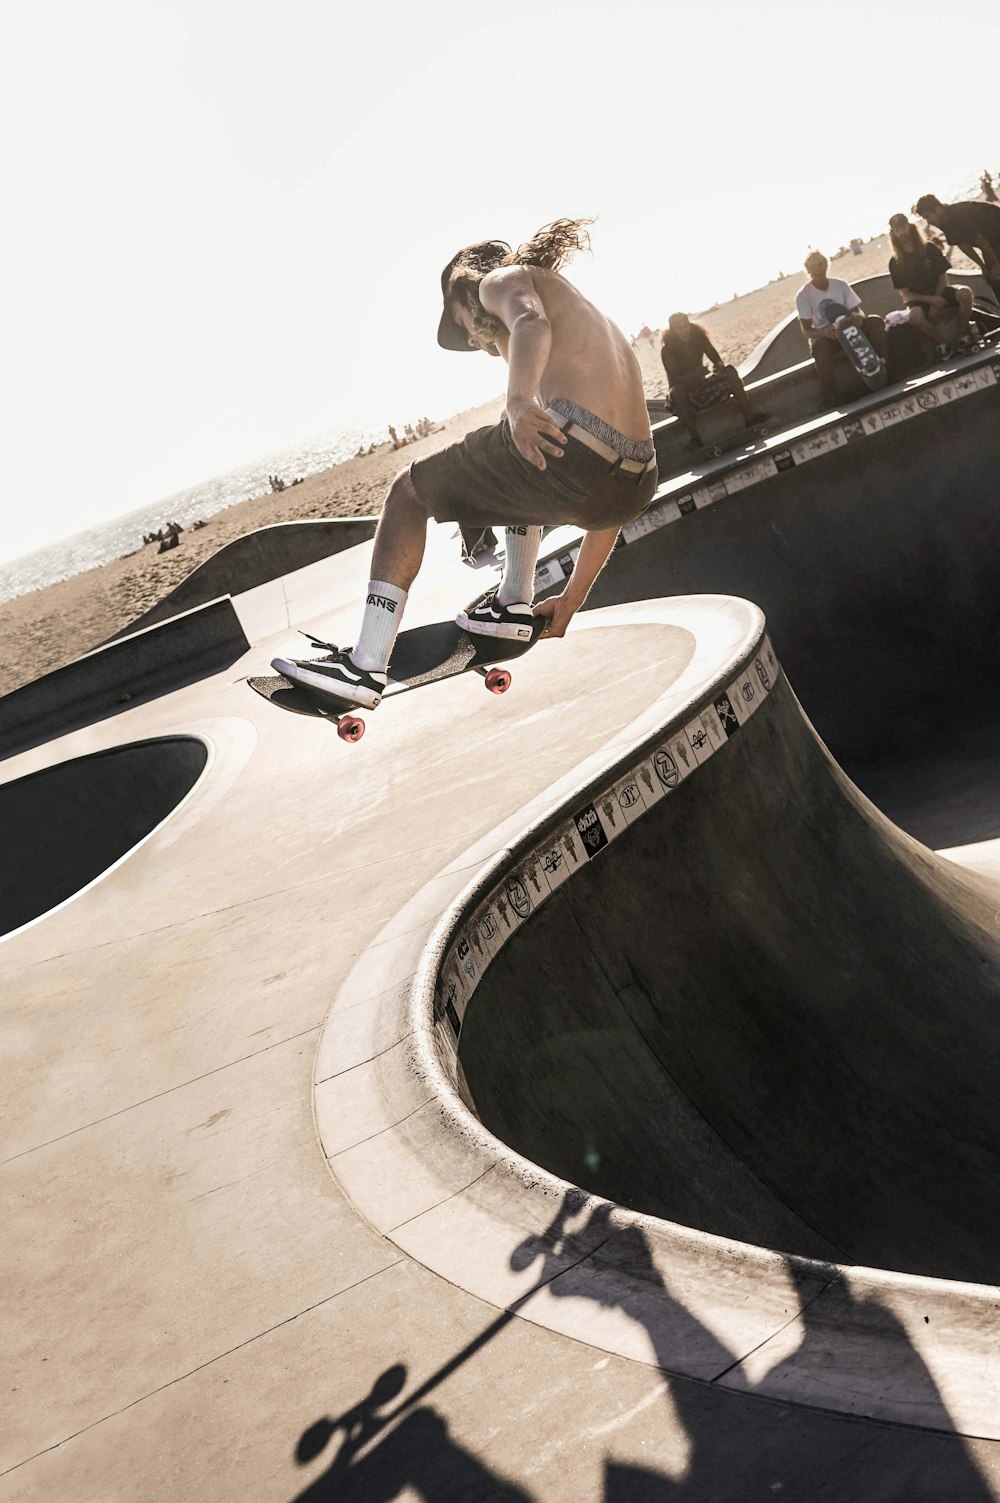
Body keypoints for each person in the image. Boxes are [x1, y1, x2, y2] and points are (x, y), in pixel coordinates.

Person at [273, 219, 657, 709]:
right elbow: (611, 507)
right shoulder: (588, 321)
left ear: (466, 291)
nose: (475, 342)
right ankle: (513, 604)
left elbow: (529, 323)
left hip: (577, 464)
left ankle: (364, 667)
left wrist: (518, 400)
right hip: (635, 484)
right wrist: (572, 599)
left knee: (409, 491)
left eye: (463, 325)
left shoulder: (499, 280)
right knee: (519, 461)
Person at [659, 312, 767, 447]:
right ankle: (695, 438)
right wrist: (694, 375)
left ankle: (750, 418)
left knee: (730, 371)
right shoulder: (668, 349)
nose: (684, 330)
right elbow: (675, 378)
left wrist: (718, 367)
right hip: (686, 396)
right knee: (678, 391)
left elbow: (716, 359)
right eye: (679, 328)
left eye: (685, 325)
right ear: (673, 330)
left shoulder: (698, 337)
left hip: (704, 386)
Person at [795, 250, 887, 406]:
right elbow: (807, 331)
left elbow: (859, 312)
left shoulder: (840, 285)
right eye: (813, 266)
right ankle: (831, 396)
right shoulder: (803, 295)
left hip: (850, 330)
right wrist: (824, 332)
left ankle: (886, 367)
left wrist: (856, 319)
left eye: (820, 264)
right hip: (827, 336)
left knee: (876, 322)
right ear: (807, 270)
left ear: (827, 265)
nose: (818, 269)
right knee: (819, 347)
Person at [887, 213, 973, 354]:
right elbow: (906, 295)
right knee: (914, 316)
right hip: (920, 301)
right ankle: (945, 344)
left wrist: (937, 297)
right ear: (893, 234)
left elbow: (942, 277)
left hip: (940, 292)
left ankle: (961, 335)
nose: (901, 232)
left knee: (965, 293)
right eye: (897, 230)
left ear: (909, 226)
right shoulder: (895, 262)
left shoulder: (929, 248)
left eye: (903, 227)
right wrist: (931, 301)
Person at [914, 193, 1000, 300]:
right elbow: (963, 245)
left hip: (995, 235)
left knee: (996, 276)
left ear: (937, 209)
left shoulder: (956, 214)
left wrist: (996, 264)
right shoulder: (943, 222)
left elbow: (981, 241)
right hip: (991, 242)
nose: (929, 222)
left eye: (928, 216)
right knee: (991, 278)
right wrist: (982, 266)